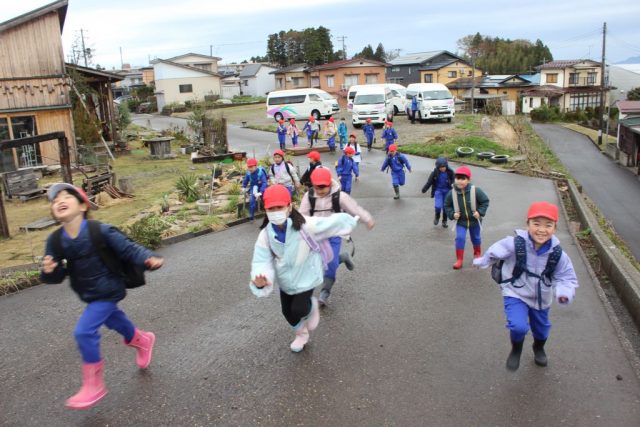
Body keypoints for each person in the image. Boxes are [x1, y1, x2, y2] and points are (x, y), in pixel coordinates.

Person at [40, 183, 163, 410]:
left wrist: (148, 258)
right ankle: (142, 340)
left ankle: (93, 384)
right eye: (55, 200)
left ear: (83, 205)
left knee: (84, 332)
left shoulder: (100, 230)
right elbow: (56, 275)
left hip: (109, 288)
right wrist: (49, 271)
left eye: (66, 196)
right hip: (88, 292)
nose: (60, 201)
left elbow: (128, 248)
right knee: (114, 319)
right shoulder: (55, 241)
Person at [250, 184, 359, 352]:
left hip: (307, 275)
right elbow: (261, 260)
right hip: (286, 279)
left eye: (279, 207)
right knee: (287, 312)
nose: (275, 211)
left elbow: (327, 224)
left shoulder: (305, 226)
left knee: (299, 309)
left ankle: (311, 307)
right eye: (271, 208)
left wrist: (348, 222)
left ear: (289, 206)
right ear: (265, 210)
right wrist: (261, 277)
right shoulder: (265, 235)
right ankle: (301, 335)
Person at [473, 201, 578, 371]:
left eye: (548, 225)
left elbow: (566, 277)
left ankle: (538, 347)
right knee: (518, 326)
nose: (541, 229)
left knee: (541, 329)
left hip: (541, 299)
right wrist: (483, 261)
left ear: (555, 228)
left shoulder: (558, 255)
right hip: (516, 292)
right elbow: (496, 250)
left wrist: (564, 292)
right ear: (527, 224)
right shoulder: (516, 244)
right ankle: (516, 349)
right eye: (536, 224)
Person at [299, 168, 375, 306]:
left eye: (323, 187)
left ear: (329, 183)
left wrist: (367, 219)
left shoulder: (339, 196)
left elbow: (354, 208)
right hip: (315, 235)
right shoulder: (308, 196)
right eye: (317, 187)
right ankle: (343, 257)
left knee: (330, 265)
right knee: (316, 263)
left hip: (333, 234)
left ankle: (325, 291)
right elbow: (302, 216)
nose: (320, 190)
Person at [443, 166, 490, 269]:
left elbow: (485, 201)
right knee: (460, 238)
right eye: (457, 178)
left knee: (476, 238)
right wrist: (452, 214)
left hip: (474, 221)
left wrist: (480, 212)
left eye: (463, 179)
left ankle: (477, 255)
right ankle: (459, 259)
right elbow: (447, 205)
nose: (459, 181)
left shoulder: (476, 190)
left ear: (468, 180)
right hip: (461, 221)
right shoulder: (452, 193)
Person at [421, 157, 455, 228]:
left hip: (447, 191)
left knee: (445, 207)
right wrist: (424, 189)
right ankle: (437, 216)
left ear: (446, 166)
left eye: (444, 167)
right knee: (438, 206)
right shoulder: (435, 172)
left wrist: (454, 185)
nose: (442, 169)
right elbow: (429, 181)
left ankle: (444, 221)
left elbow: (454, 180)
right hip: (438, 191)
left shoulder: (450, 172)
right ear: (438, 167)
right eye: (440, 167)